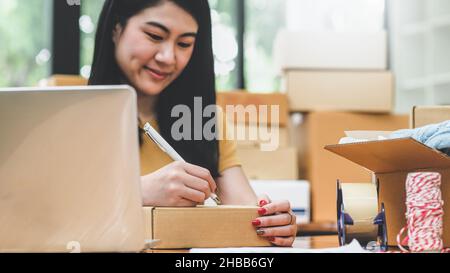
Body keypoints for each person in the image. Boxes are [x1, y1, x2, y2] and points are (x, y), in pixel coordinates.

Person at [89, 0, 297, 247]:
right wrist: (138, 192)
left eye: (185, 44)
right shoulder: (72, 116)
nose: (168, 57)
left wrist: (272, 222)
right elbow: (47, 215)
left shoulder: (203, 117)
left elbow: (246, 211)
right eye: (155, 36)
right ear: (116, 28)